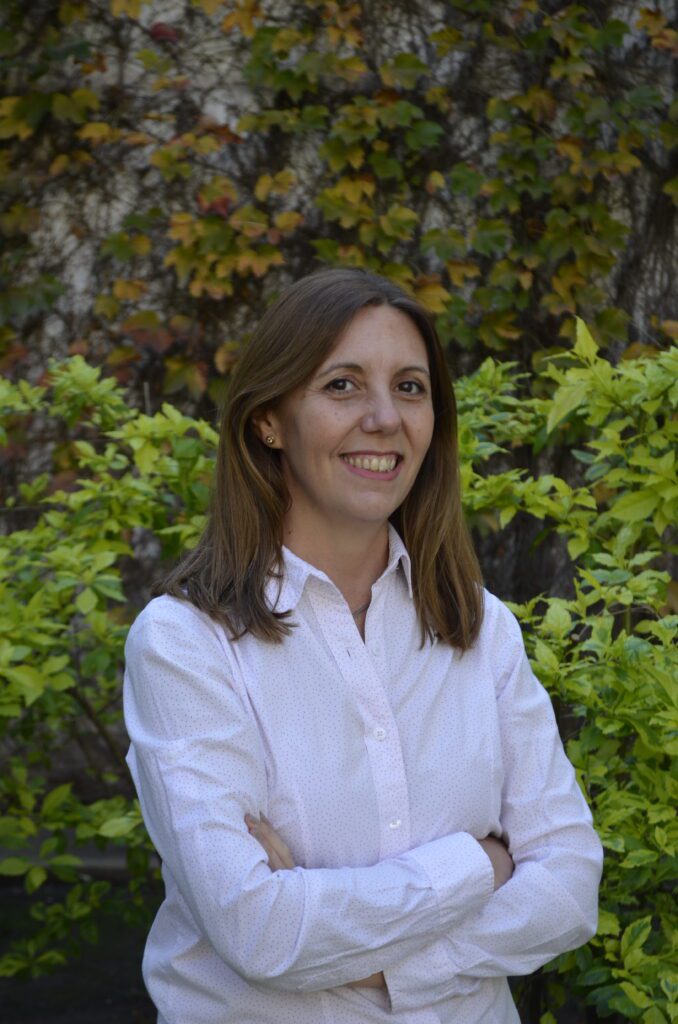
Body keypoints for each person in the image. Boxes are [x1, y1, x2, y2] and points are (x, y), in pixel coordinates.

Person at [123, 267, 603, 1024]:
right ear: (269, 420)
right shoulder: (187, 645)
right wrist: (483, 863)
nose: (384, 418)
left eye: (410, 388)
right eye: (342, 385)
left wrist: (381, 962)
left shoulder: (481, 630)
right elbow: (259, 930)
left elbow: (570, 887)